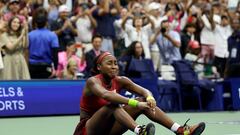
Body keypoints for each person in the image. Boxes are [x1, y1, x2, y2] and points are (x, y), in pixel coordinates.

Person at [73, 51, 206, 135]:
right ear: (98, 67)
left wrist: (149, 97)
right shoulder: (92, 82)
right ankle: (140, 131)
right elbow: (107, 95)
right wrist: (135, 103)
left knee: (143, 101)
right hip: (89, 130)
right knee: (113, 104)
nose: (114, 66)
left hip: (109, 128)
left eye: (115, 63)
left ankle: (179, 130)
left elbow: (143, 90)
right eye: (109, 63)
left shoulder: (121, 80)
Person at [28, 7, 59, 79]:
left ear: (35, 23)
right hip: (46, 66)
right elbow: (55, 53)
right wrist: (56, 68)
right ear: (46, 22)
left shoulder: (30, 35)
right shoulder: (52, 35)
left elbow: (27, 51)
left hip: (32, 66)